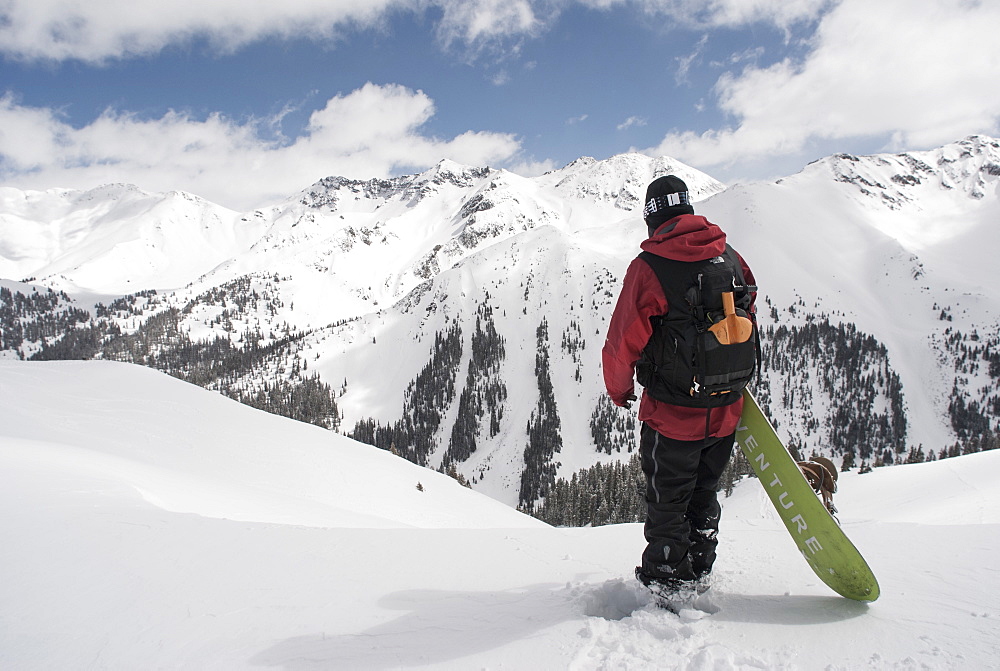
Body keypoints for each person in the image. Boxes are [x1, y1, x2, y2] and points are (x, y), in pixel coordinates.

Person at [602, 175, 757, 602]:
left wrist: (619, 391)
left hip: (671, 415)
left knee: (667, 504)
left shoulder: (649, 268)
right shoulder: (729, 256)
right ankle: (701, 566)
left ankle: (668, 581)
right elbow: (747, 310)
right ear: (687, 208)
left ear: (651, 218)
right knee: (704, 493)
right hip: (725, 410)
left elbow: (622, 342)